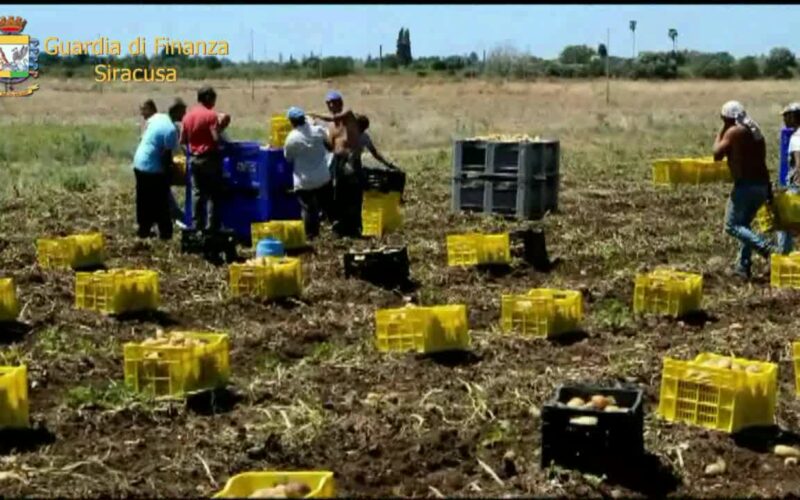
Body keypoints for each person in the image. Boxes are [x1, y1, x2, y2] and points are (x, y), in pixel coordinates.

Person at [713, 100, 777, 279]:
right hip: (761, 185)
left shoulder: (734, 132)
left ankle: (767, 249)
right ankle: (743, 266)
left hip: (746, 186)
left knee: (732, 225)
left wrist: (721, 132)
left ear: (727, 118)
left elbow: (717, 154)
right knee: (744, 226)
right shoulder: (755, 131)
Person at [308, 90, 364, 238]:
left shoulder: (348, 115)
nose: (331, 106)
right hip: (338, 161)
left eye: (334, 103)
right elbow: (330, 146)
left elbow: (334, 117)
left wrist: (315, 115)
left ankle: (355, 228)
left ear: (341, 103)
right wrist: (317, 135)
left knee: (353, 194)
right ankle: (343, 227)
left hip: (351, 160)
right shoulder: (331, 127)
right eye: (329, 103)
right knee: (339, 194)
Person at [132, 99, 186, 240]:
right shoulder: (171, 130)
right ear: (177, 112)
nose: (184, 115)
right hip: (151, 167)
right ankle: (165, 233)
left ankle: (143, 230)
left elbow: (146, 137)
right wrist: (174, 173)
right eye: (183, 112)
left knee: (144, 199)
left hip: (139, 162)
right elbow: (167, 156)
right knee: (161, 202)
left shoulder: (158, 117)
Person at [283, 106, 334, 239]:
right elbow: (329, 146)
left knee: (308, 209)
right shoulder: (318, 130)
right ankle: (335, 229)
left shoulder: (291, 138)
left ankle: (311, 235)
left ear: (291, 122)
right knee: (327, 205)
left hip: (304, 181)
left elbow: (288, 158)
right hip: (323, 177)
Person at [180, 86, 223, 233]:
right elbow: (216, 138)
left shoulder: (187, 116)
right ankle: (212, 227)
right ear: (208, 98)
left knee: (197, 193)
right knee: (213, 194)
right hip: (209, 159)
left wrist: (191, 153)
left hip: (194, 159)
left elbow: (182, 141)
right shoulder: (211, 116)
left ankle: (197, 226)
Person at [775, 103, 800, 254]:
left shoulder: (796, 137)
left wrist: (795, 190)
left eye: (785, 116)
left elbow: (799, 165)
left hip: (797, 187)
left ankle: (783, 255)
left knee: (783, 221)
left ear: (793, 117)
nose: (784, 120)